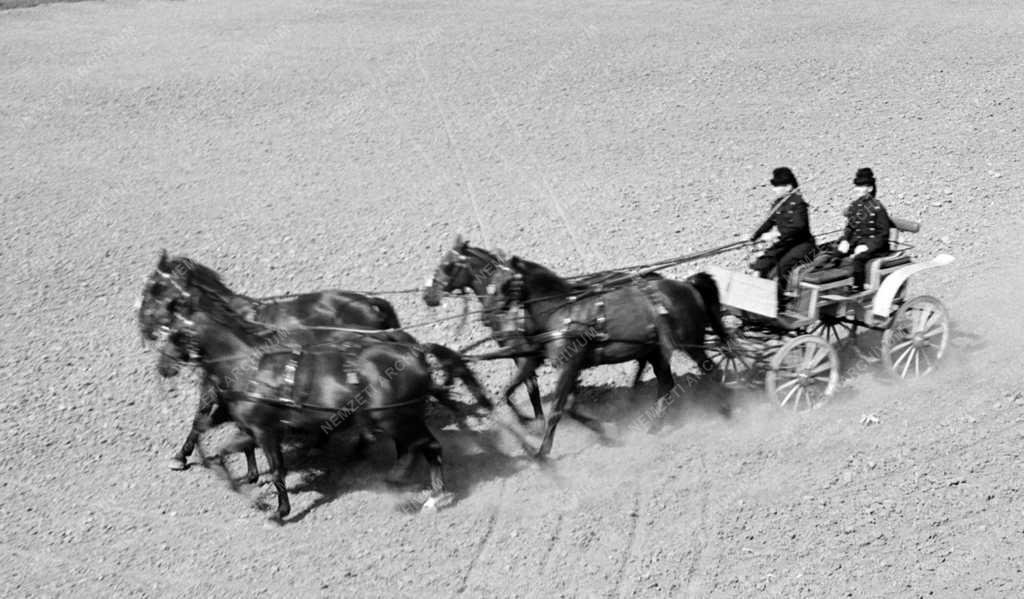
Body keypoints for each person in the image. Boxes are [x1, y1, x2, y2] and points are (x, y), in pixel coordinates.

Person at [749, 167, 816, 310]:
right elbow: (768, 222)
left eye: (778, 186)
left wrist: (777, 234)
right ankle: (758, 300)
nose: (775, 190)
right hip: (785, 244)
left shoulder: (798, 203)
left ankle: (779, 305)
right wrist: (753, 236)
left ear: (788, 187)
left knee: (778, 270)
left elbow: (799, 227)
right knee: (760, 265)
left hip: (801, 245)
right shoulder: (778, 204)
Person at [821, 167, 893, 292]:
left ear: (870, 189)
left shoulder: (878, 208)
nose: (857, 189)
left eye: (861, 186)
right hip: (856, 243)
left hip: (876, 248)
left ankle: (857, 288)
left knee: (859, 260)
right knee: (835, 253)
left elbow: (883, 234)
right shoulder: (855, 206)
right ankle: (832, 285)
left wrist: (868, 247)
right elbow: (850, 227)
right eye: (856, 186)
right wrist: (845, 240)